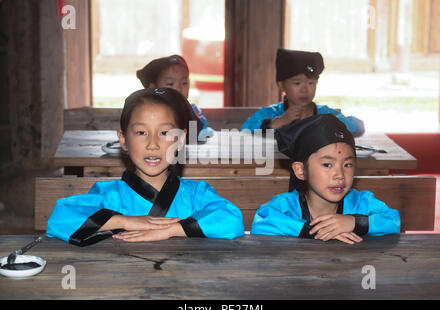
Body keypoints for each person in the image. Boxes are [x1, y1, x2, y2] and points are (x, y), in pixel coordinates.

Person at [46, 88, 245, 246]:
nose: (153, 144)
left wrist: (170, 231)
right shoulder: (109, 195)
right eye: (141, 132)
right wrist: (124, 221)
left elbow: (231, 218)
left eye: (165, 132)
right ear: (123, 139)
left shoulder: (195, 194)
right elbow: (60, 216)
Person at [250, 114, 400, 244]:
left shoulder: (361, 203)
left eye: (347, 164)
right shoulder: (285, 207)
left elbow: (392, 220)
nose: (340, 174)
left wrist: (355, 222)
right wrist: (315, 231)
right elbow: (262, 223)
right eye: (328, 165)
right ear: (301, 170)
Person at [241, 49, 365, 137]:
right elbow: (246, 129)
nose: (304, 89)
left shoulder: (324, 113)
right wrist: (279, 122)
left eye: (310, 83)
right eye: (297, 83)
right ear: (281, 85)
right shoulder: (272, 113)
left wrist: (328, 123)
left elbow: (358, 125)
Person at [136, 54, 214, 140]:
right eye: (170, 84)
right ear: (153, 89)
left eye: (184, 83)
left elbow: (200, 132)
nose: (179, 89)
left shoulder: (192, 111)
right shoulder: (146, 113)